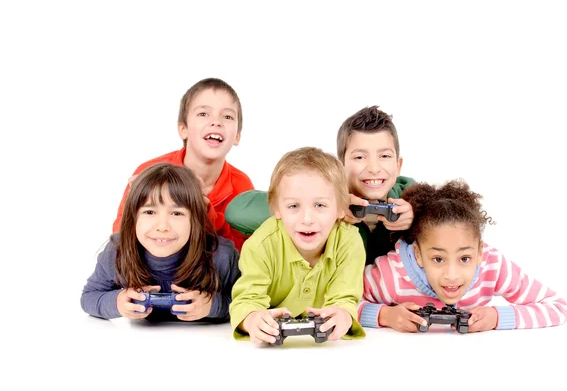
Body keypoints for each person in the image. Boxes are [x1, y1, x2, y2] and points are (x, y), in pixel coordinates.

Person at [358, 179, 567, 332]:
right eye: (438, 259)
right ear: (418, 255)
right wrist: (386, 316)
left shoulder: (493, 267)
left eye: (465, 259)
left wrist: (497, 317)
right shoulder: (392, 275)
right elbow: (339, 301)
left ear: (479, 252)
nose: (452, 275)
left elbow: (557, 306)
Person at [225, 105, 416, 265]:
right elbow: (237, 211)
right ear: (340, 165)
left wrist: (416, 219)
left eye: (384, 156)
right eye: (359, 157)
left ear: (398, 165)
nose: (374, 168)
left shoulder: (410, 198)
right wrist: (327, 209)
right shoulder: (321, 193)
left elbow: (442, 219)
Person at [229, 147, 366, 344]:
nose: (307, 219)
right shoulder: (260, 246)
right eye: (294, 206)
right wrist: (251, 320)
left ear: (341, 209)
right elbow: (246, 300)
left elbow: (345, 298)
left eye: (320, 205)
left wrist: (343, 314)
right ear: (277, 209)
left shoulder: (349, 242)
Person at [81, 162, 240, 323]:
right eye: (149, 212)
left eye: (177, 213)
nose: (162, 226)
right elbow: (89, 297)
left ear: (196, 220)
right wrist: (117, 302)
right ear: (133, 217)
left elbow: (248, 301)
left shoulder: (221, 256)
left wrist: (213, 305)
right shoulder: (117, 251)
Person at [112, 77, 253, 253]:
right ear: (183, 129)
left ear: (237, 136)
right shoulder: (149, 172)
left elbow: (244, 251)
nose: (216, 121)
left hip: (209, 274)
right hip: (153, 268)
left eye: (227, 116)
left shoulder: (241, 186)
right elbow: (121, 234)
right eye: (203, 114)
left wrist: (205, 211)